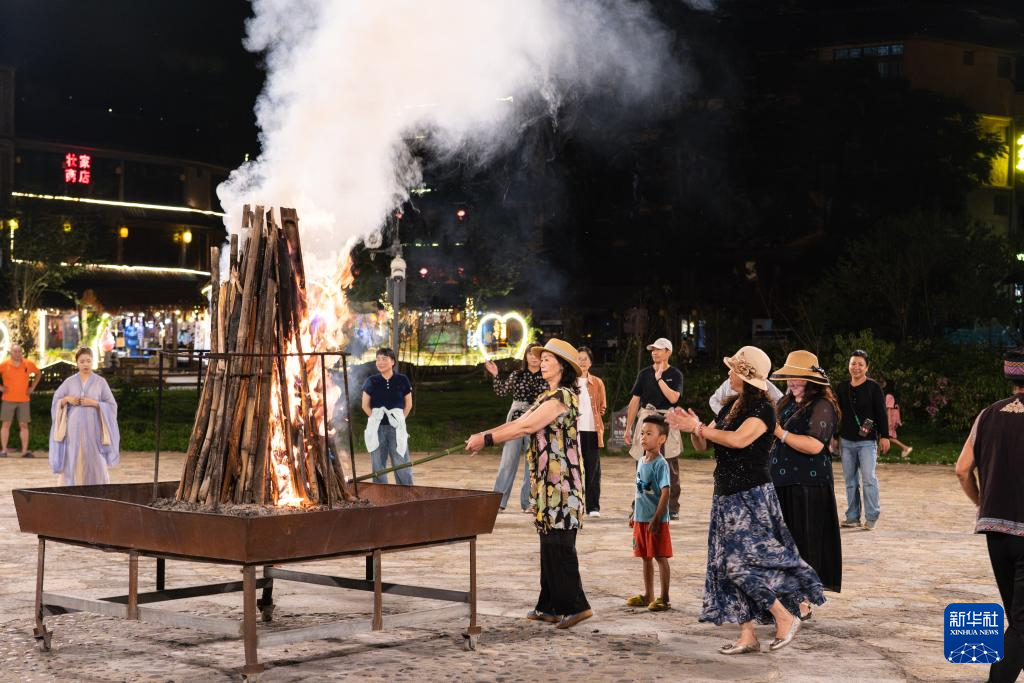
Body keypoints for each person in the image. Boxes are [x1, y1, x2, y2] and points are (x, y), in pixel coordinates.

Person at [667, 345, 824, 655]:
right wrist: (695, 429)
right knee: (725, 566)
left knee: (740, 563)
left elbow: (738, 440)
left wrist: (698, 428)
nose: (728, 373)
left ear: (746, 376)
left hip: (751, 496)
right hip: (725, 496)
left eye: (733, 370)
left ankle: (784, 616)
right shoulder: (730, 405)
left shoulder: (764, 409)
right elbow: (703, 444)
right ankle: (747, 634)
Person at [467, 339, 592, 629]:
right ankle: (549, 605)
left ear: (562, 366)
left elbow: (526, 427)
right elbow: (516, 422)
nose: (542, 363)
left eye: (548, 359)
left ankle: (577, 606)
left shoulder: (562, 396)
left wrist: (487, 440)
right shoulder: (545, 396)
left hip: (562, 483)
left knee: (560, 544)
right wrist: (483, 435)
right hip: (546, 484)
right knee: (548, 541)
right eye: (542, 358)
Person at [955, 347, 1024, 683]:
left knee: (1017, 617)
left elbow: (962, 469)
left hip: (996, 532)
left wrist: (982, 503)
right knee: (1022, 624)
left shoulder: (987, 415)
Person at [767, 351, 843, 619]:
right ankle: (783, 598)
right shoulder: (785, 402)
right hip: (781, 482)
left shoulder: (822, 405)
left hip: (808, 486)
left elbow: (814, 445)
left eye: (797, 377)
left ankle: (803, 602)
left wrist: (780, 433)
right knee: (782, 543)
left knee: (804, 542)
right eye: (790, 376)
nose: (792, 381)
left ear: (811, 380)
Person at [624, 338, 684, 519]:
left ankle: (671, 507)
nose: (654, 352)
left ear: (668, 352)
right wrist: (628, 428)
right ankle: (641, 504)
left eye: (658, 349)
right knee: (643, 463)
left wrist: (659, 378)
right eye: (652, 349)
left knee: (670, 464)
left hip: (667, 420)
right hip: (647, 420)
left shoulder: (675, 374)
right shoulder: (644, 374)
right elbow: (635, 401)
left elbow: (673, 398)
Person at [484, 342, 547, 511]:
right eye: (530, 354)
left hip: (536, 421)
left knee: (532, 463)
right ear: (525, 356)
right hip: (515, 420)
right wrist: (495, 374)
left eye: (537, 355)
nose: (534, 358)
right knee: (508, 460)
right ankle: (498, 502)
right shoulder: (517, 374)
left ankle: (528, 502)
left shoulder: (546, 376)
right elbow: (501, 391)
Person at [836, 349, 890, 530]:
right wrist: (834, 436)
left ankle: (872, 516)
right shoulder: (842, 387)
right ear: (848, 365)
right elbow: (837, 413)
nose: (856, 367)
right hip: (846, 440)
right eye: (853, 363)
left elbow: (881, 413)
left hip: (867, 441)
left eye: (860, 364)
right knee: (850, 481)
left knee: (869, 479)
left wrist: (885, 436)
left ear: (867, 367)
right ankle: (852, 517)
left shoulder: (873, 387)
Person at [49, 347, 120, 485]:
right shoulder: (69, 382)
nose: (85, 364)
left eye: (88, 361)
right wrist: (67, 399)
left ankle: (97, 489)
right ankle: (72, 488)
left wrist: (94, 403)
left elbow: (112, 405)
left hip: (94, 429)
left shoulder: (100, 382)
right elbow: (57, 400)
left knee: (95, 457)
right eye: (82, 361)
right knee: (73, 456)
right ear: (77, 363)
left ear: (93, 361)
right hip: (72, 430)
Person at [625, 414, 672, 612]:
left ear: (662, 439)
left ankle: (665, 598)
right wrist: (633, 513)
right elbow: (640, 491)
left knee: (660, 557)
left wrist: (657, 518)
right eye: (642, 433)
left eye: (649, 434)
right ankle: (648, 595)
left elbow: (666, 492)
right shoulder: (641, 461)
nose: (643, 437)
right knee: (645, 557)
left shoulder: (661, 464)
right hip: (641, 519)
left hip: (656, 521)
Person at [361, 348, 413, 485]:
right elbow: (365, 405)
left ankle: (406, 492)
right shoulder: (371, 381)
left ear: (392, 361)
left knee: (401, 461)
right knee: (378, 464)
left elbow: (409, 404)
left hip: (396, 428)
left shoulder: (402, 380)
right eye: (378, 359)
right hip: (377, 429)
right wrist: (376, 419)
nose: (380, 362)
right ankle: (381, 492)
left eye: (384, 359)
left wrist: (400, 420)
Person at [577, 346, 606, 517]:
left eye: (585, 359)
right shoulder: (569, 382)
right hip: (574, 432)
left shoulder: (598, 382)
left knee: (593, 471)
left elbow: (602, 407)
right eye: (579, 359)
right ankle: (575, 505)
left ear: (590, 362)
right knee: (573, 470)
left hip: (592, 431)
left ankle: (593, 507)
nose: (582, 362)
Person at [0, 344, 41, 458]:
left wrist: (32, 387)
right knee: (6, 424)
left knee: (24, 425)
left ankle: (24, 451)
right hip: (8, 399)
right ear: (11, 352)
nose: (17, 353)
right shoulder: (4, 365)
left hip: (24, 400)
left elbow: (38, 374)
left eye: (19, 351)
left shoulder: (28, 364)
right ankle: (4, 451)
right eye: (15, 351)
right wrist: (0, 388)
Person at [709, 376, 783, 416]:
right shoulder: (731, 402)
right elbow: (713, 400)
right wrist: (726, 416)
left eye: (734, 369)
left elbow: (780, 401)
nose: (729, 373)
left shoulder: (764, 406)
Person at [879, 376, 912, 459]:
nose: (883, 384)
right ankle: (882, 453)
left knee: (887, 436)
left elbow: (889, 409)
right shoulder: (892, 395)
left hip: (890, 418)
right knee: (884, 436)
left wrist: (889, 421)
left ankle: (905, 448)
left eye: (884, 383)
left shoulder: (888, 396)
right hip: (893, 418)